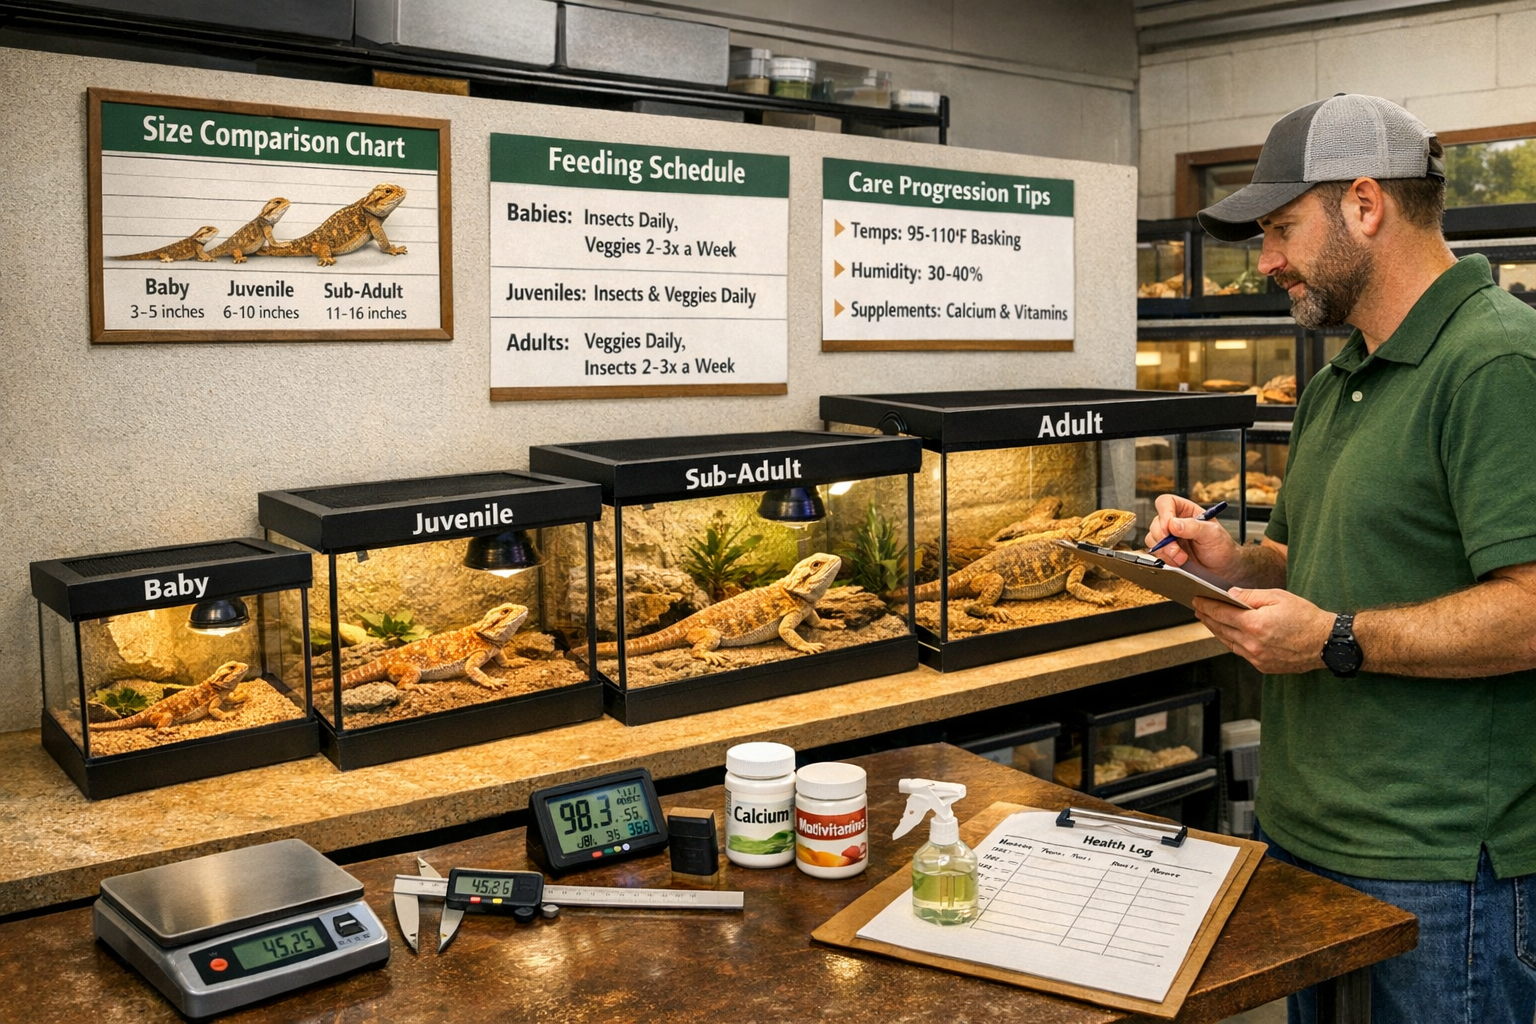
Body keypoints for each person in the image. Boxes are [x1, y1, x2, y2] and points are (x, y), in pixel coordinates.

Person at [1146, 94, 1536, 1024]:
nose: (1268, 260)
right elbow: (1317, 557)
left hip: (1445, 873)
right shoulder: (1336, 381)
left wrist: (1336, 641)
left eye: (1282, 227)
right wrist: (1236, 563)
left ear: (1366, 205)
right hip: (1306, 838)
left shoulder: (1496, 365)